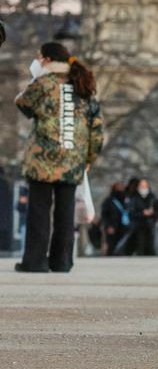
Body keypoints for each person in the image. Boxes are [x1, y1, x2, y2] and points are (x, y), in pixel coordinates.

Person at [14, 42, 103, 273]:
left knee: (39, 211)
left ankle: (34, 262)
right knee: (65, 213)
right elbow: (96, 126)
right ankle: (62, 261)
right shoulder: (83, 84)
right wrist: (89, 158)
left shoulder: (43, 83)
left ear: (46, 60)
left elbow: (22, 104)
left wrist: (35, 78)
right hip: (73, 157)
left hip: (42, 159)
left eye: (39, 58)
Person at [129, 178, 158, 255]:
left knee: (151, 247)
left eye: (145, 186)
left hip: (150, 226)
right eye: (141, 186)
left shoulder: (153, 198)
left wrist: (152, 213)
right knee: (140, 246)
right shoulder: (134, 198)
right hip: (138, 226)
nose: (143, 188)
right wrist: (142, 213)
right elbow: (131, 213)